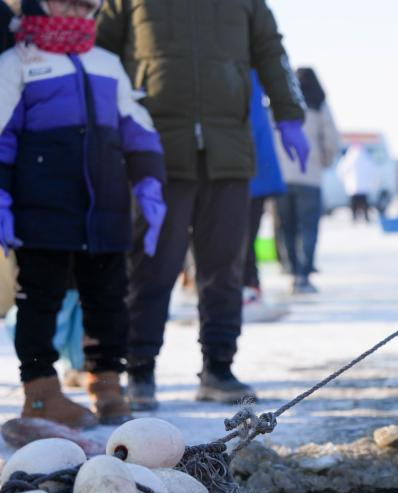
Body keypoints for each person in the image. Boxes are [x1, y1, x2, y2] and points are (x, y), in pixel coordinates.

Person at [97, 0, 309, 409]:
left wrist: (289, 114)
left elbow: (271, 51)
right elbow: (100, 54)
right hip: (154, 149)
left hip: (228, 150)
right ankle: (139, 368)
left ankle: (218, 367)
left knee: (225, 267)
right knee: (151, 266)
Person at [0, 0, 166, 427]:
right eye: (65, 3)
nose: (74, 12)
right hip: (42, 209)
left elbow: (137, 126)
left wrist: (149, 181)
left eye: (84, 5)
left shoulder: (107, 63)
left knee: (108, 299)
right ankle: (40, 392)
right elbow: (2, 134)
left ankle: (107, 384)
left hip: (106, 209)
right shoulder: (17, 62)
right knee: (40, 299)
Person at [274, 67, 339, 295]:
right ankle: (304, 275)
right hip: (310, 177)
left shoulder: (281, 105)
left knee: (287, 228)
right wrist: (324, 161)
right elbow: (331, 139)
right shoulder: (319, 106)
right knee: (309, 228)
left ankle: (293, 272)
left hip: (282, 176)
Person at [245, 71, 286, 307]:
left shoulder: (252, 75)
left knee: (243, 238)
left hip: (251, 172)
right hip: (244, 172)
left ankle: (249, 286)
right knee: (241, 238)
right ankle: (246, 285)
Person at [337, 143, 377, 225]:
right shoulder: (366, 157)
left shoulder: (348, 158)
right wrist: (372, 182)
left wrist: (344, 180)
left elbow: (341, 170)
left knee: (354, 204)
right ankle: (366, 218)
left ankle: (354, 218)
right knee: (364, 203)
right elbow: (373, 171)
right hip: (364, 186)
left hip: (352, 186)